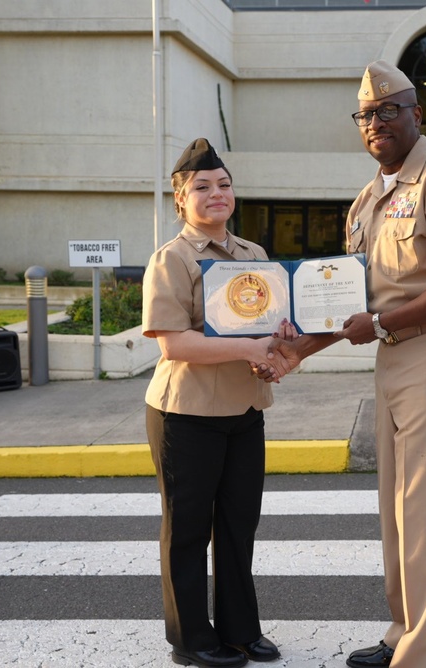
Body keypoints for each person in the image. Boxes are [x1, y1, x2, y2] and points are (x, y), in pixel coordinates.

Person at [268, 60, 426, 667]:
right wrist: (297, 349)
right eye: (366, 114)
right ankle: (404, 631)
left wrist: (382, 325)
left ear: (416, 114)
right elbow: (354, 304)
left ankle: (422, 654)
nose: (376, 122)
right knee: (397, 510)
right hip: (396, 357)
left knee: (424, 511)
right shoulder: (369, 199)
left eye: (388, 110)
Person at [141, 138, 291, 668]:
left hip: (245, 411)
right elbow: (173, 343)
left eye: (223, 185)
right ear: (181, 201)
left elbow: (268, 330)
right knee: (187, 531)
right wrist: (248, 346)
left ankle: (240, 631)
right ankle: (190, 639)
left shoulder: (254, 257)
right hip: (186, 415)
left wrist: (277, 344)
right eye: (201, 188)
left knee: (237, 525)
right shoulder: (172, 260)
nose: (216, 194)